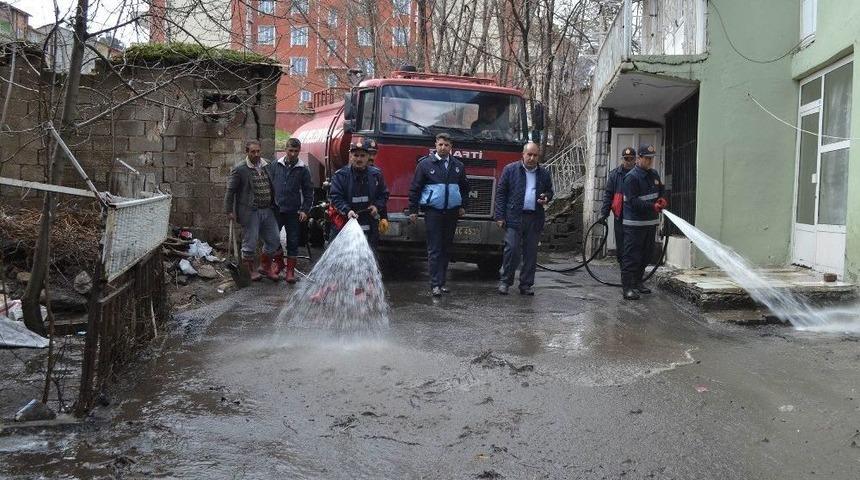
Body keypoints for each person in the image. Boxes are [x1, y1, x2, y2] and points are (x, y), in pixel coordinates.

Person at [408, 133, 470, 297]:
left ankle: (442, 283)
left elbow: (464, 187)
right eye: (440, 144)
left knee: (446, 248)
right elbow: (415, 188)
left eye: (446, 145)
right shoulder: (425, 165)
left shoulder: (458, 166)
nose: (443, 148)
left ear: (451, 147)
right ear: (435, 145)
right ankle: (435, 284)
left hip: (451, 212)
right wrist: (413, 210)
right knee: (434, 249)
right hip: (433, 212)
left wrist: (463, 205)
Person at [494, 142, 554, 296]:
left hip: (534, 218)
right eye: (529, 154)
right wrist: (499, 215)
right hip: (514, 216)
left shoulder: (544, 173)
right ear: (523, 154)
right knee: (512, 250)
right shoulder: (510, 170)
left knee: (530, 253)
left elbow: (550, 192)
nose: (532, 158)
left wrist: (546, 197)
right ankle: (505, 282)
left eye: (535, 155)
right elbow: (501, 194)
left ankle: (526, 284)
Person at [224, 140, 281, 282]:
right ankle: (248, 270)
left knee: (274, 240)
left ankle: (265, 267)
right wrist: (229, 210)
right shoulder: (240, 169)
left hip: (267, 209)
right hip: (251, 211)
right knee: (250, 243)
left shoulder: (267, 164)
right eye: (253, 152)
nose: (256, 154)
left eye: (258, 151)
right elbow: (230, 192)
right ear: (247, 152)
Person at [620, 144, 667, 300]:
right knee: (631, 257)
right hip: (634, 225)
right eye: (647, 158)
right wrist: (652, 206)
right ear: (638, 158)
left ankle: (637, 282)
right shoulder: (631, 177)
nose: (649, 162)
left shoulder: (654, 174)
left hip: (650, 223)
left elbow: (661, 190)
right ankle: (627, 287)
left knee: (646, 256)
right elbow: (632, 201)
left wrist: (662, 199)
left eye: (651, 159)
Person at [329, 139, 390, 249]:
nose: (359, 159)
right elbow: (335, 197)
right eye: (355, 155)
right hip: (346, 222)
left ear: (368, 157)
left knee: (369, 255)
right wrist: (347, 210)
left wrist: (377, 206)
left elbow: (383, 194)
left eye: (362, 155)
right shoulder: (341, 176)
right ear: (350, 156)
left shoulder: (376, 175)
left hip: (369, 224)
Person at [268, 137, 313, 284]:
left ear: (299, 151)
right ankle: (279, 263)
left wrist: (305, 210)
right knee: (273, 238)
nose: (293, 154)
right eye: (290, 150)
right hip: (277, 209)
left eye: (296, 151)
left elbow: (308, 192)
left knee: (293, 240)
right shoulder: (275, 166)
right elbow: (268, 186)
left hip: (294, 211)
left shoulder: (303, 169)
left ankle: (290, 271)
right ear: (285, 150)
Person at [600, 147, 637, 267]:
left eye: (631, 159)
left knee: (634, 246)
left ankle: (633, 273)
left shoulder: (639, 174)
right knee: (621, 246)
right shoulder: (614, 175)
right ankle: (624, 272)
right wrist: (604, 213)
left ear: (635, 159)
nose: (628, 161)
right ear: (622, 159)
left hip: (635, 217)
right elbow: (608, 195)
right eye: (626, 159)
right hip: (620, 217)